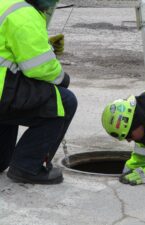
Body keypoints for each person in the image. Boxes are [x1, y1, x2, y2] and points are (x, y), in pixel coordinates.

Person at [0, 0, 77, 184]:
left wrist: (47, 48)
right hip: (2, 92)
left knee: (14, 105)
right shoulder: (23, 14)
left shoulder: (6, 4)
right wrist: (62, 78)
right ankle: (26, 167)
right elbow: (39, 67)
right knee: (64, 101)